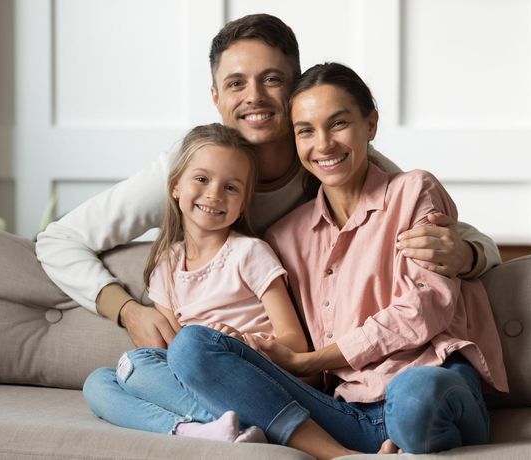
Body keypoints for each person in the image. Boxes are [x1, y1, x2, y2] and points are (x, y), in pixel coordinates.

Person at [35, 14, 501, 349]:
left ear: (297, 89)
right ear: (216, 98)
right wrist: (127, 310)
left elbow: (471, 239)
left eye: (272, 79)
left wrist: (466, 254)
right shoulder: (189, 173)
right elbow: (58, 240)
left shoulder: (335, 159)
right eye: (236, 84)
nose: (254, 97)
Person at [163, 63, 509, 458]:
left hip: (429, 384)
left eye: (339, 123)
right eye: (306, 131)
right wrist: (260, 351)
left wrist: (308, 359)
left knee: (415, 397)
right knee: (191, 346)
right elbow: (298, 360)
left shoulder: (413, 191)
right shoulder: (284, 237)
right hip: (346, 415)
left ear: (371, 125)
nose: (323, 144)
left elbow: (425, 309)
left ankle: (406, 438)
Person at [82, 123, 308, 443]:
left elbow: (296, 342)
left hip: (249, 377)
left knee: (134, 364)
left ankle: (225, 422)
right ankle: (201, 429)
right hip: (194, 380)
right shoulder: (167, 264)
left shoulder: (249, 253)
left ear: (244, 202)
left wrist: (245, 342)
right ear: (176, 187)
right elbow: (170, 351)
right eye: (201, 179)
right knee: (100, 382)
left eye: (231, 187)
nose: (214, 194)